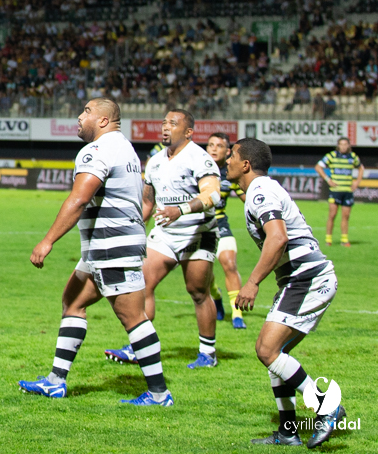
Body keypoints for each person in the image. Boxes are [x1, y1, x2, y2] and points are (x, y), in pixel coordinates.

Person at [18, 97, 172, 406]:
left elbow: (78, 199)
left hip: (111, 245)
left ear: (103, 120)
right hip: (105, 246)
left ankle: (159, 394)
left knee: (133, 317)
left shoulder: (97, 150)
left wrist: (47, 240)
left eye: (86, 112)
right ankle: (55, 382)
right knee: (72, 301)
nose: (79, 117)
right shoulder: (125, 148)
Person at [228, 138, 347, 447]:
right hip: (304, 278)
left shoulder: (260, 191)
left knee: (266, 350)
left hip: (306, 278)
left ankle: (327, 408)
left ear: (245, 165)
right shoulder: (261, 189)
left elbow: (277, 237)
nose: (227, 160)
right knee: (276, 356)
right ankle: (288, 432)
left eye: (231, 156)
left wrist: (252, 282)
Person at [104, 109, 221, 369]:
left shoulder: (200, 159)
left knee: (198, 292)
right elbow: (147, 201)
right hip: (165, 234)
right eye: (164, 122)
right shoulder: (155, 161)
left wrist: (180, 210)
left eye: (173, 123)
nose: (165, 127)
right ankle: (139, 347)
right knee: (142, 283)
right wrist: (130, 230)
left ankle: (207, 353)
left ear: (189, 132)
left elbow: (213, 196)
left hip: (198, 233)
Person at [205, 131, 247, 329]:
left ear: (227, 151)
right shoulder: (198, 169)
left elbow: (247, 199)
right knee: (204, 275)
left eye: (218, 145)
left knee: (229, 264)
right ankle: (217, 297)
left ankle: (237, 314)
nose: (213, 148)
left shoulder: (230, 173)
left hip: (220, 223)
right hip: (200, 227)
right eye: (210, 144)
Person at [315, 137, 362, 247]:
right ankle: (328, 239)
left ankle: (344, 240)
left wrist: (357, 182)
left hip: (347, 190)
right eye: (341, 144)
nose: (344, 146)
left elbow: (361, 168)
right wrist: (328, 179)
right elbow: (318, 167)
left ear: (349, 145)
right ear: (338, 145)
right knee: (332, 214)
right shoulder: (332, 155)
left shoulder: (353, 156)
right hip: (335, 190)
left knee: (346, 216)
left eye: (346, 144)